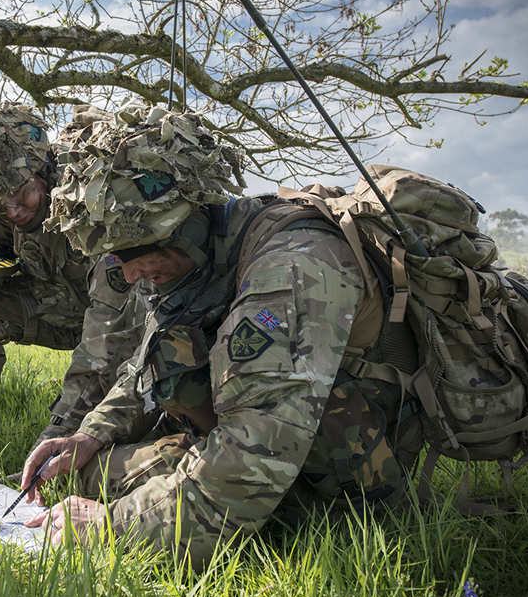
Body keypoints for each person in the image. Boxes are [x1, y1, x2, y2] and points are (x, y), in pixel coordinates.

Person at [22, 101, 420, 566]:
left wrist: (111, 527)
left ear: (184, 224)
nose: (128, 275)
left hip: (343, 474)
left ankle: (288, 520)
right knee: (83, 472)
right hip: (255, 436)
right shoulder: (196, 257)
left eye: (132, 254)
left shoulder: (292, 266)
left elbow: (252, 459)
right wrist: (88, 434)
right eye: (114, 260)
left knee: (111, 502)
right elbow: (144, 363)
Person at [0, 99, 152, 463]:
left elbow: (108, 328)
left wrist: (59, 431)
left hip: (127, 320)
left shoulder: (93, 192)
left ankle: (77, 439)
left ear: (41, 168)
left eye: (21, 196)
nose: (14, 212)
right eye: (1, 207)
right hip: (60, 311)